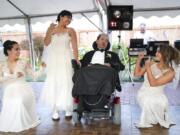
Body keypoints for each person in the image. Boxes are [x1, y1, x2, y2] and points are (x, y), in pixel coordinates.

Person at [40, 10, 79, 121]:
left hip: (66, 58)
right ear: (61, 17)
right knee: (54, 83)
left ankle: (68, 108)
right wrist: (48, 30)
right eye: (68, 17)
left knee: (66, 82)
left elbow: (75, 47)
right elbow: (46, 43)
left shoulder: (71, 30)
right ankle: (55, 110)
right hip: (54, 60)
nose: (69, 20)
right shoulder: (52, 30)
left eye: (70, 19)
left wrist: (76, 59)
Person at [0, 40, 45, 132]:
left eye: (19, 49)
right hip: (8, 90)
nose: (19, 52)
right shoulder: (1, 64)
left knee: (18, 100)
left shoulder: (23, 63)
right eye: (16, 49)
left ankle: (20, 124)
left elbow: (34, 76)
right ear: (9, 51)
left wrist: (42, 68)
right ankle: (11, 123)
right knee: (9, 100)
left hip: (23, 89)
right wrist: (13, 76)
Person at [134, 44, 180, 128]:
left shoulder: (170, 72)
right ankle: (155, 117)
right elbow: (137, 74)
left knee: (156, 105)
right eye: (156, 51)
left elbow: (153, 83)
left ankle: (159, 116)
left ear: (165, 54)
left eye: (158, 52)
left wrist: (147, 67)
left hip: (158, 95)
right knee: (148, 101)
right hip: (143, 92)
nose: (156, 53)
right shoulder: (152, 63)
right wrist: (139, 59)